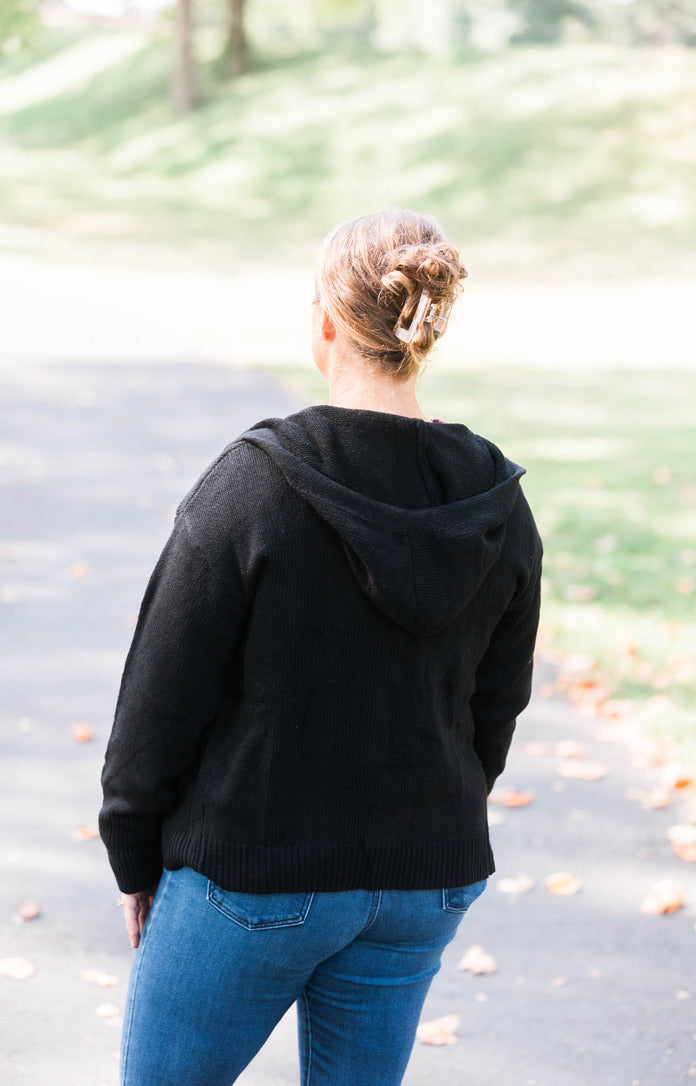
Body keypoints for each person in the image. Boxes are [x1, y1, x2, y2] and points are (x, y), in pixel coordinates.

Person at [99, 208, 542, 1086]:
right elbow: (496, 705)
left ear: (328, 322)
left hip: (257, 873)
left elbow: (160, 697)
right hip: (424, 879)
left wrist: (132, 855)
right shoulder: (497, 500)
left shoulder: (253, 486)